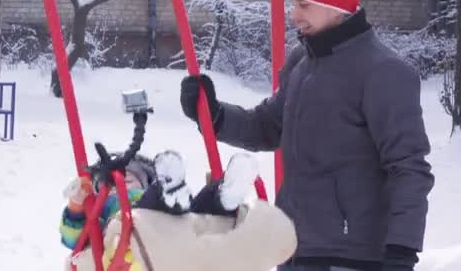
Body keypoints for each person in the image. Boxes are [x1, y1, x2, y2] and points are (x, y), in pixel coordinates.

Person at [179, 0, 434, 271]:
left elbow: (409, 168)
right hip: (294, 247)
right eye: (293, 3)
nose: (293, 15)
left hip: (350, 255)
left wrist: (402, 251)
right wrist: (214, 115)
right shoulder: (302, 61)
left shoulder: (382, 72)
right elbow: (266, 126)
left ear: (337, 6)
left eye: (303, 4)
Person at [60, 115, 297, 270]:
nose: (125, 181)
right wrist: (76, 206)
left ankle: (225, 196)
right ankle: (171, 190)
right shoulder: (106, 207)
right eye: (112, 183)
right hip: (131, 242)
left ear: (145, 180)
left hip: (175, 229)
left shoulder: (145, 194)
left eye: (133, 177)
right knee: (145, 213)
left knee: (196, 213)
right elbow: (74, 240)